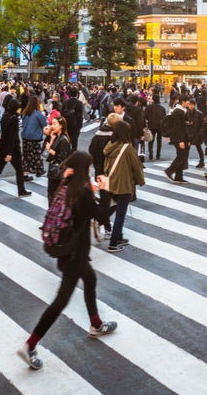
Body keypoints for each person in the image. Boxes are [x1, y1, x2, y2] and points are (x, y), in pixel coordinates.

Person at [18, 151, 116, 371]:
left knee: (90, 280)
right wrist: (106, 188)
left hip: (67, 251)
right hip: (75, 255)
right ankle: (30, 344)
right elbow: (102, 215)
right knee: (61, 301)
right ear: (86, 169)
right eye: (89, 167)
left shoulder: (66, 186)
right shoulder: (82, 191)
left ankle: (96, 324)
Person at [101, 120, 145, 252]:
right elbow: (136, 166)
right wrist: (141, 181)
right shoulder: (127, 147)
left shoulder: (110, 145)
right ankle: (113, 243)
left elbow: (106, 165)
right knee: (120, 215)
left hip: (112, 184)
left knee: (116, 211)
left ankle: (118, 236)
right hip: (124, 184)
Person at [0, 98, 31, 201]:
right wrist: (9, 153)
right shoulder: (14, 118)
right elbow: (12, 137)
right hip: (13, 149)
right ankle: (21, 190)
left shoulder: (5, 116)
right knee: (19, 169)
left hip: (2, 146)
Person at [44, 113, 73, 199]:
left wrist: (50, 149)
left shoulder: (63, 139)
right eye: (52, 124)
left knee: (53, 193)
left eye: (55, 124)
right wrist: (52, 139)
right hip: (55, 171)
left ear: (61, 125)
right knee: (51, 193)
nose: (52, 126)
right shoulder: (57, 137)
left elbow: (62, 157)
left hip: (58, 172)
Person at [20, 97, 47, 179]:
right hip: (35, 137)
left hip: (25, 136)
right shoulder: (38, 114)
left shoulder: (25, 113)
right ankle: (39, 170)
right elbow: (44, 124)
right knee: (36, 154)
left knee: (26, 155)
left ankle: (25, 173)